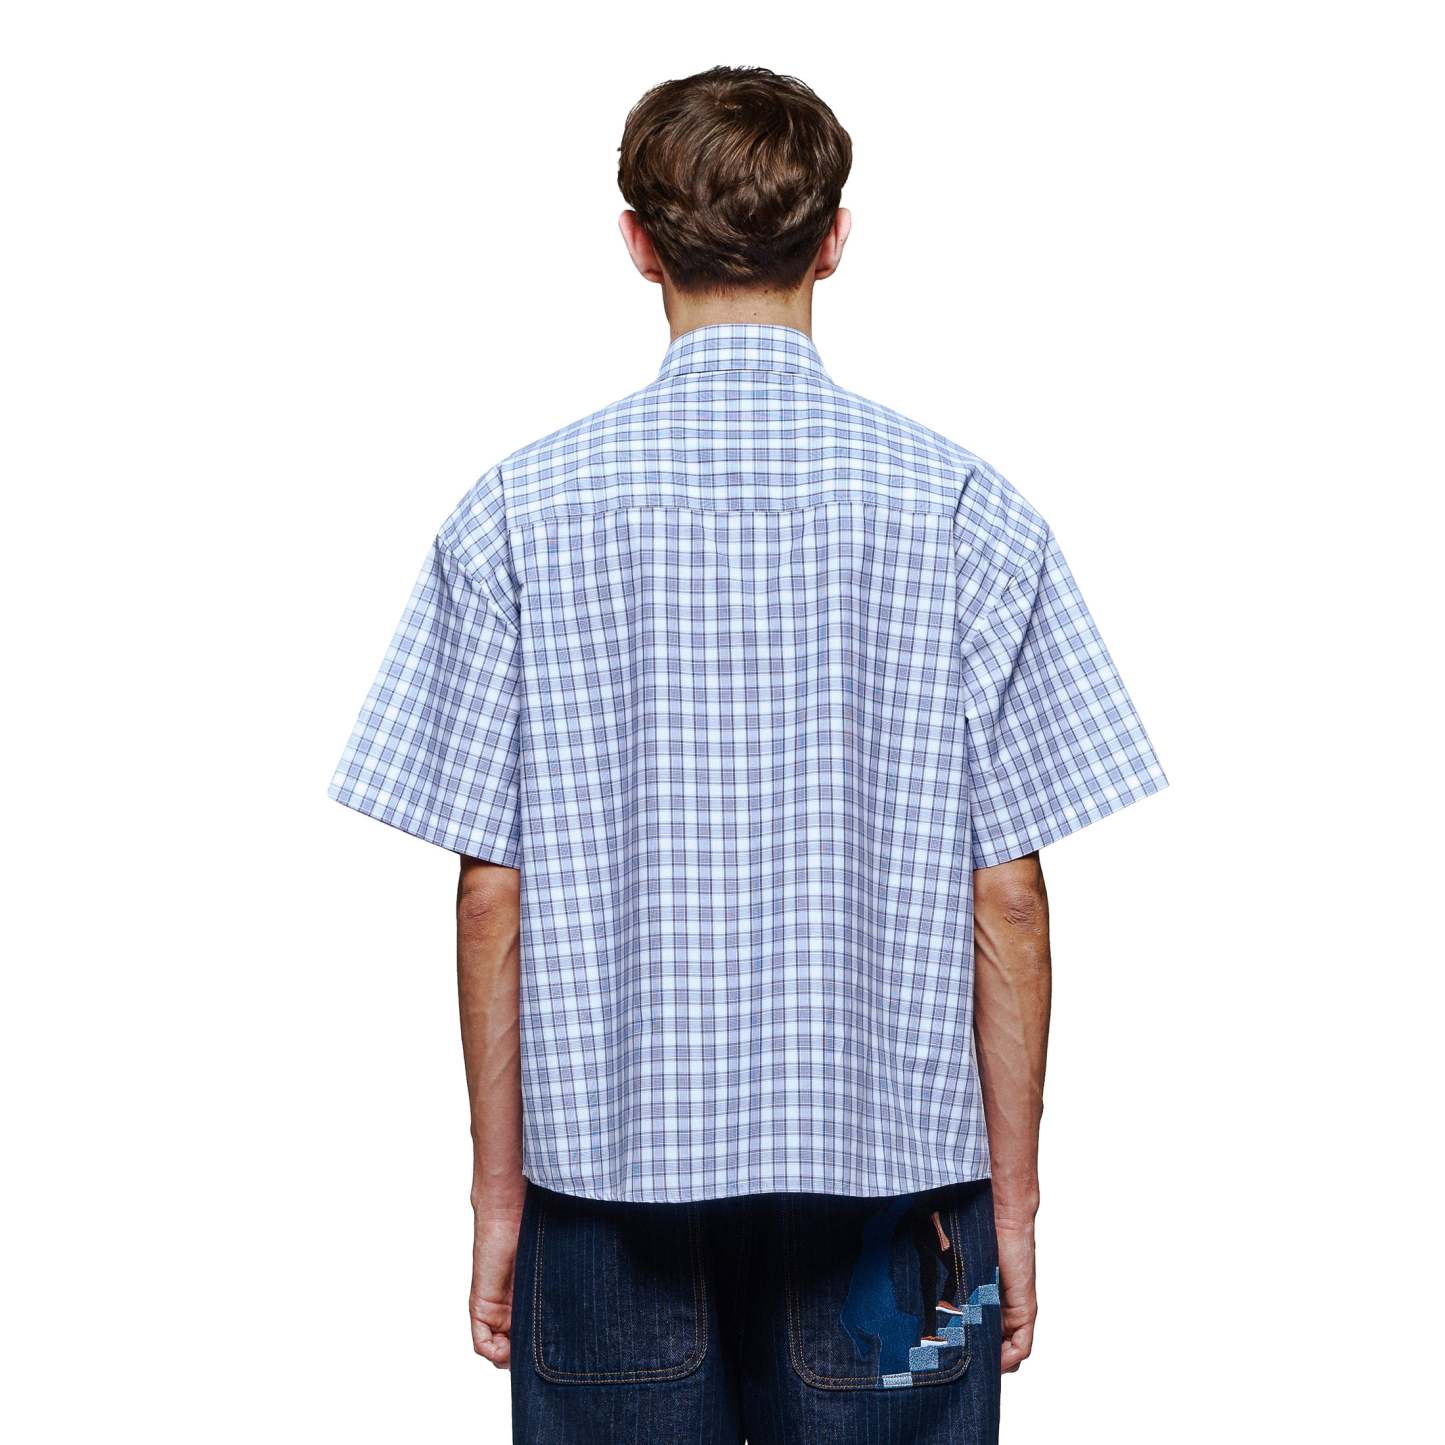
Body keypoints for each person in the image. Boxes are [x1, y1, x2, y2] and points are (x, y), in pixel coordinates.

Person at [329, 64, 1167, 1444]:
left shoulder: (517, 514)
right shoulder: (964, 510)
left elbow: (493, 895)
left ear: (636, 243)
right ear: (833, 239)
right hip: (901, 1203)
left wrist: (496, 1202)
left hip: (599, 1200)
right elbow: (1006, 896)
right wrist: (1013, 1206)